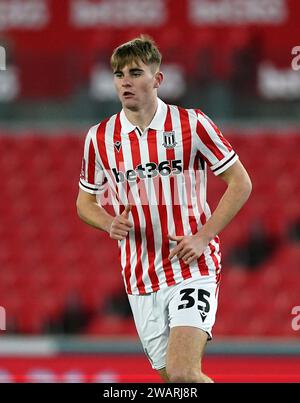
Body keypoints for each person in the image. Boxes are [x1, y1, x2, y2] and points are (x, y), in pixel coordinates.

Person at [76, 34, 252, 383]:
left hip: (191, 266)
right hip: (140, 275)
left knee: (185, 373)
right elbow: (85, 202)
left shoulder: (192, 124)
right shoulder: (99, 138)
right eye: (118, 74)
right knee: (174, 379)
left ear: (157, 80)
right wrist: (108, 222)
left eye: (135, 72)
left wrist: (204, 237)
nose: (124, 80)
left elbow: (240, 182)